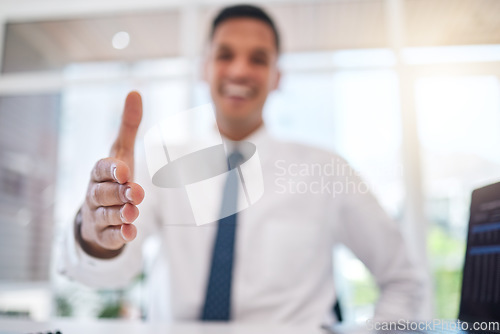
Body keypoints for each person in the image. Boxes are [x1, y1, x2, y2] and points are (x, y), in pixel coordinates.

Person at [60, 4, 426, 325]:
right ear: (205, 68)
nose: (239, 70)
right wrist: (94, 233)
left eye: (258, 58)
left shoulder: (327, 170)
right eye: (225, 54)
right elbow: (108, 274)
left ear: (277, 77)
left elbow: (404, 282)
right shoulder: (161, 164)